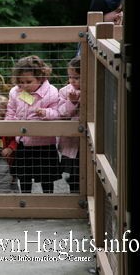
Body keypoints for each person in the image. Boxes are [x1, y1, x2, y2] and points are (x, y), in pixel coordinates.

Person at [5, 55, 60, 193]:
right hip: (24, 143)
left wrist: (46, 113)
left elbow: (58, 113)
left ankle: (48, 202)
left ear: (40, 77)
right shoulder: (15, 92)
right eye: (21, 82)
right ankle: (26, 203)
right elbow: (10, 112)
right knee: (24, 177)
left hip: (44, 144)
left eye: (28, 81)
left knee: (47, 178)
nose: (24, 85)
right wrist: (9, 126)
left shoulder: (52, 92)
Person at [58, 56, 81, 193]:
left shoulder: (93, 89)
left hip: (88, 139)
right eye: (70, 77)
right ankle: (74, 197)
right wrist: (72, 102)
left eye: (77, 77)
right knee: (73, 172)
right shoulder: (64, 91)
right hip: (71, 140)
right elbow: (62, 113)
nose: (72, 80)